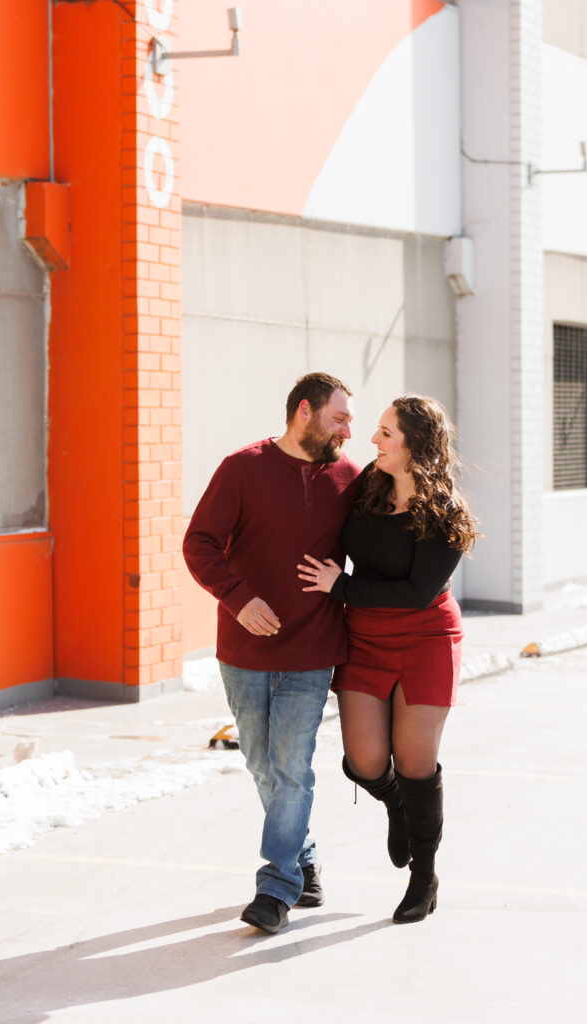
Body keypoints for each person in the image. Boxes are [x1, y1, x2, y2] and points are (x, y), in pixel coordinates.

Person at [183, 372, 362, 934]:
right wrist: (238, 599)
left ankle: (276, 887)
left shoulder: (351, 478)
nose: (348, 432)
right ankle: (301, 854)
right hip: (243, 650)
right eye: (339, 418)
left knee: (292, 770)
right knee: (262, 763)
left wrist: (348, 583)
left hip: (312, 649)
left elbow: (381, 545)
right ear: (304, 412)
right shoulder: (242, 469)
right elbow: (199, 544)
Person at [298, 394, 478, 924]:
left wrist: (341, 587)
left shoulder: (445, 514)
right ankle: (395, 802)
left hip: (426, 640)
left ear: (414, 444)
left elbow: (419, 593)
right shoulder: (366, 490)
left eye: (384, 433)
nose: (372, 440)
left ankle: (424, 877)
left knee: (416, 764)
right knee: (365, 762)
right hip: (366, 639)